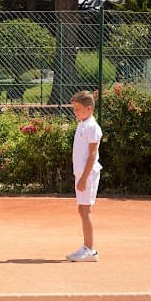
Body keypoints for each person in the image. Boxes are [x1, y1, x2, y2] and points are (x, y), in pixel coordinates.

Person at [66, 90, 103, 262]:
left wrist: (83, 178)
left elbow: (93, 155)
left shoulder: (92, 127)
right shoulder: (82, 123)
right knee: (82, 209)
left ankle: (90, 250)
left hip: (88, 175)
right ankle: (86, 247)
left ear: (89, 109)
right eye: (74, 109)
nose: (75, 112)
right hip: (81, 174)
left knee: (85, 210)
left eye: (78, 109)